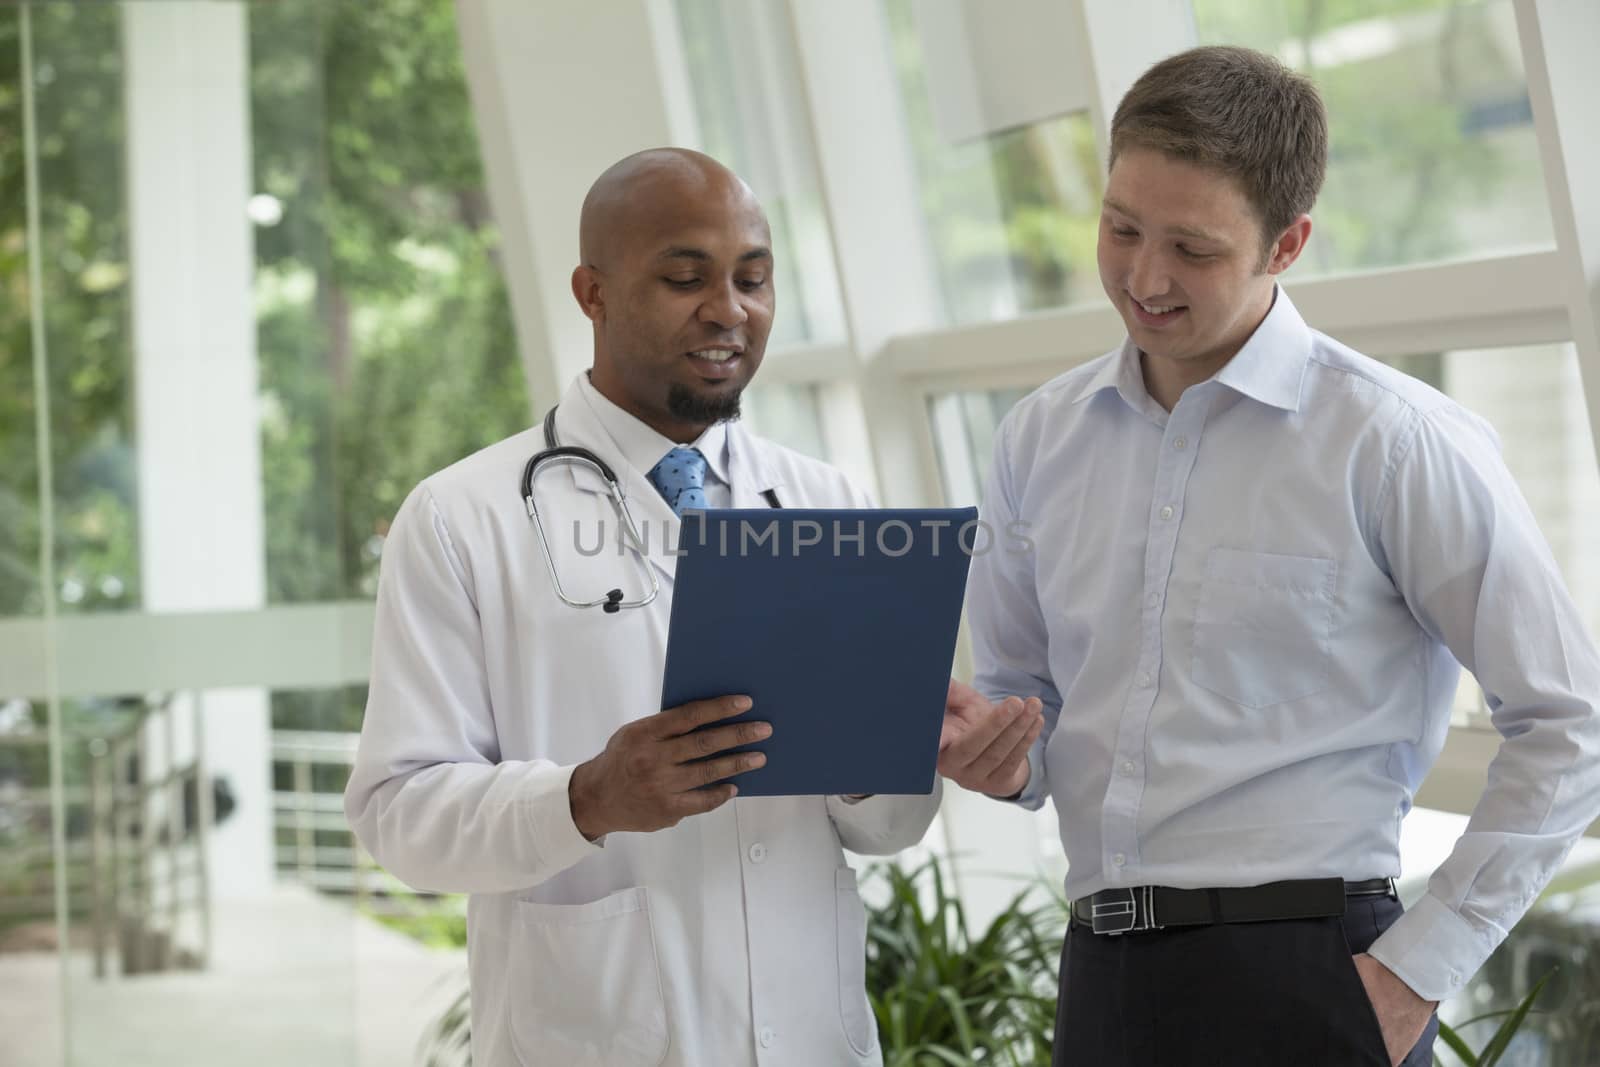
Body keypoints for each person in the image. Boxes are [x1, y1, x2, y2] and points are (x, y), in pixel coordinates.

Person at [947, 45, 1600, 1067]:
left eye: (1192, 249)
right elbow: (1027, 711)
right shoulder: (1039, 435)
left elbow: (1572, 717)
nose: (1144, 276)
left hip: (1314, 976)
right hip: (1102, 977)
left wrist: (1416, 969)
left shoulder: (1392, 440)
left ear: (1286, 243)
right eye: (1120, 229)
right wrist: (994, 748)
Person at [344, 149, 994, 1066]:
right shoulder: (462, 516)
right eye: (685, 277)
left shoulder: (827, 502)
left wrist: (887, 754)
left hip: (812, 1040)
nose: (728, 309)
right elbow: (398, 810)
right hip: (594, 1037)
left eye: (754, 278)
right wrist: (584, 798)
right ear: (592, 291)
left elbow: (883, 828)